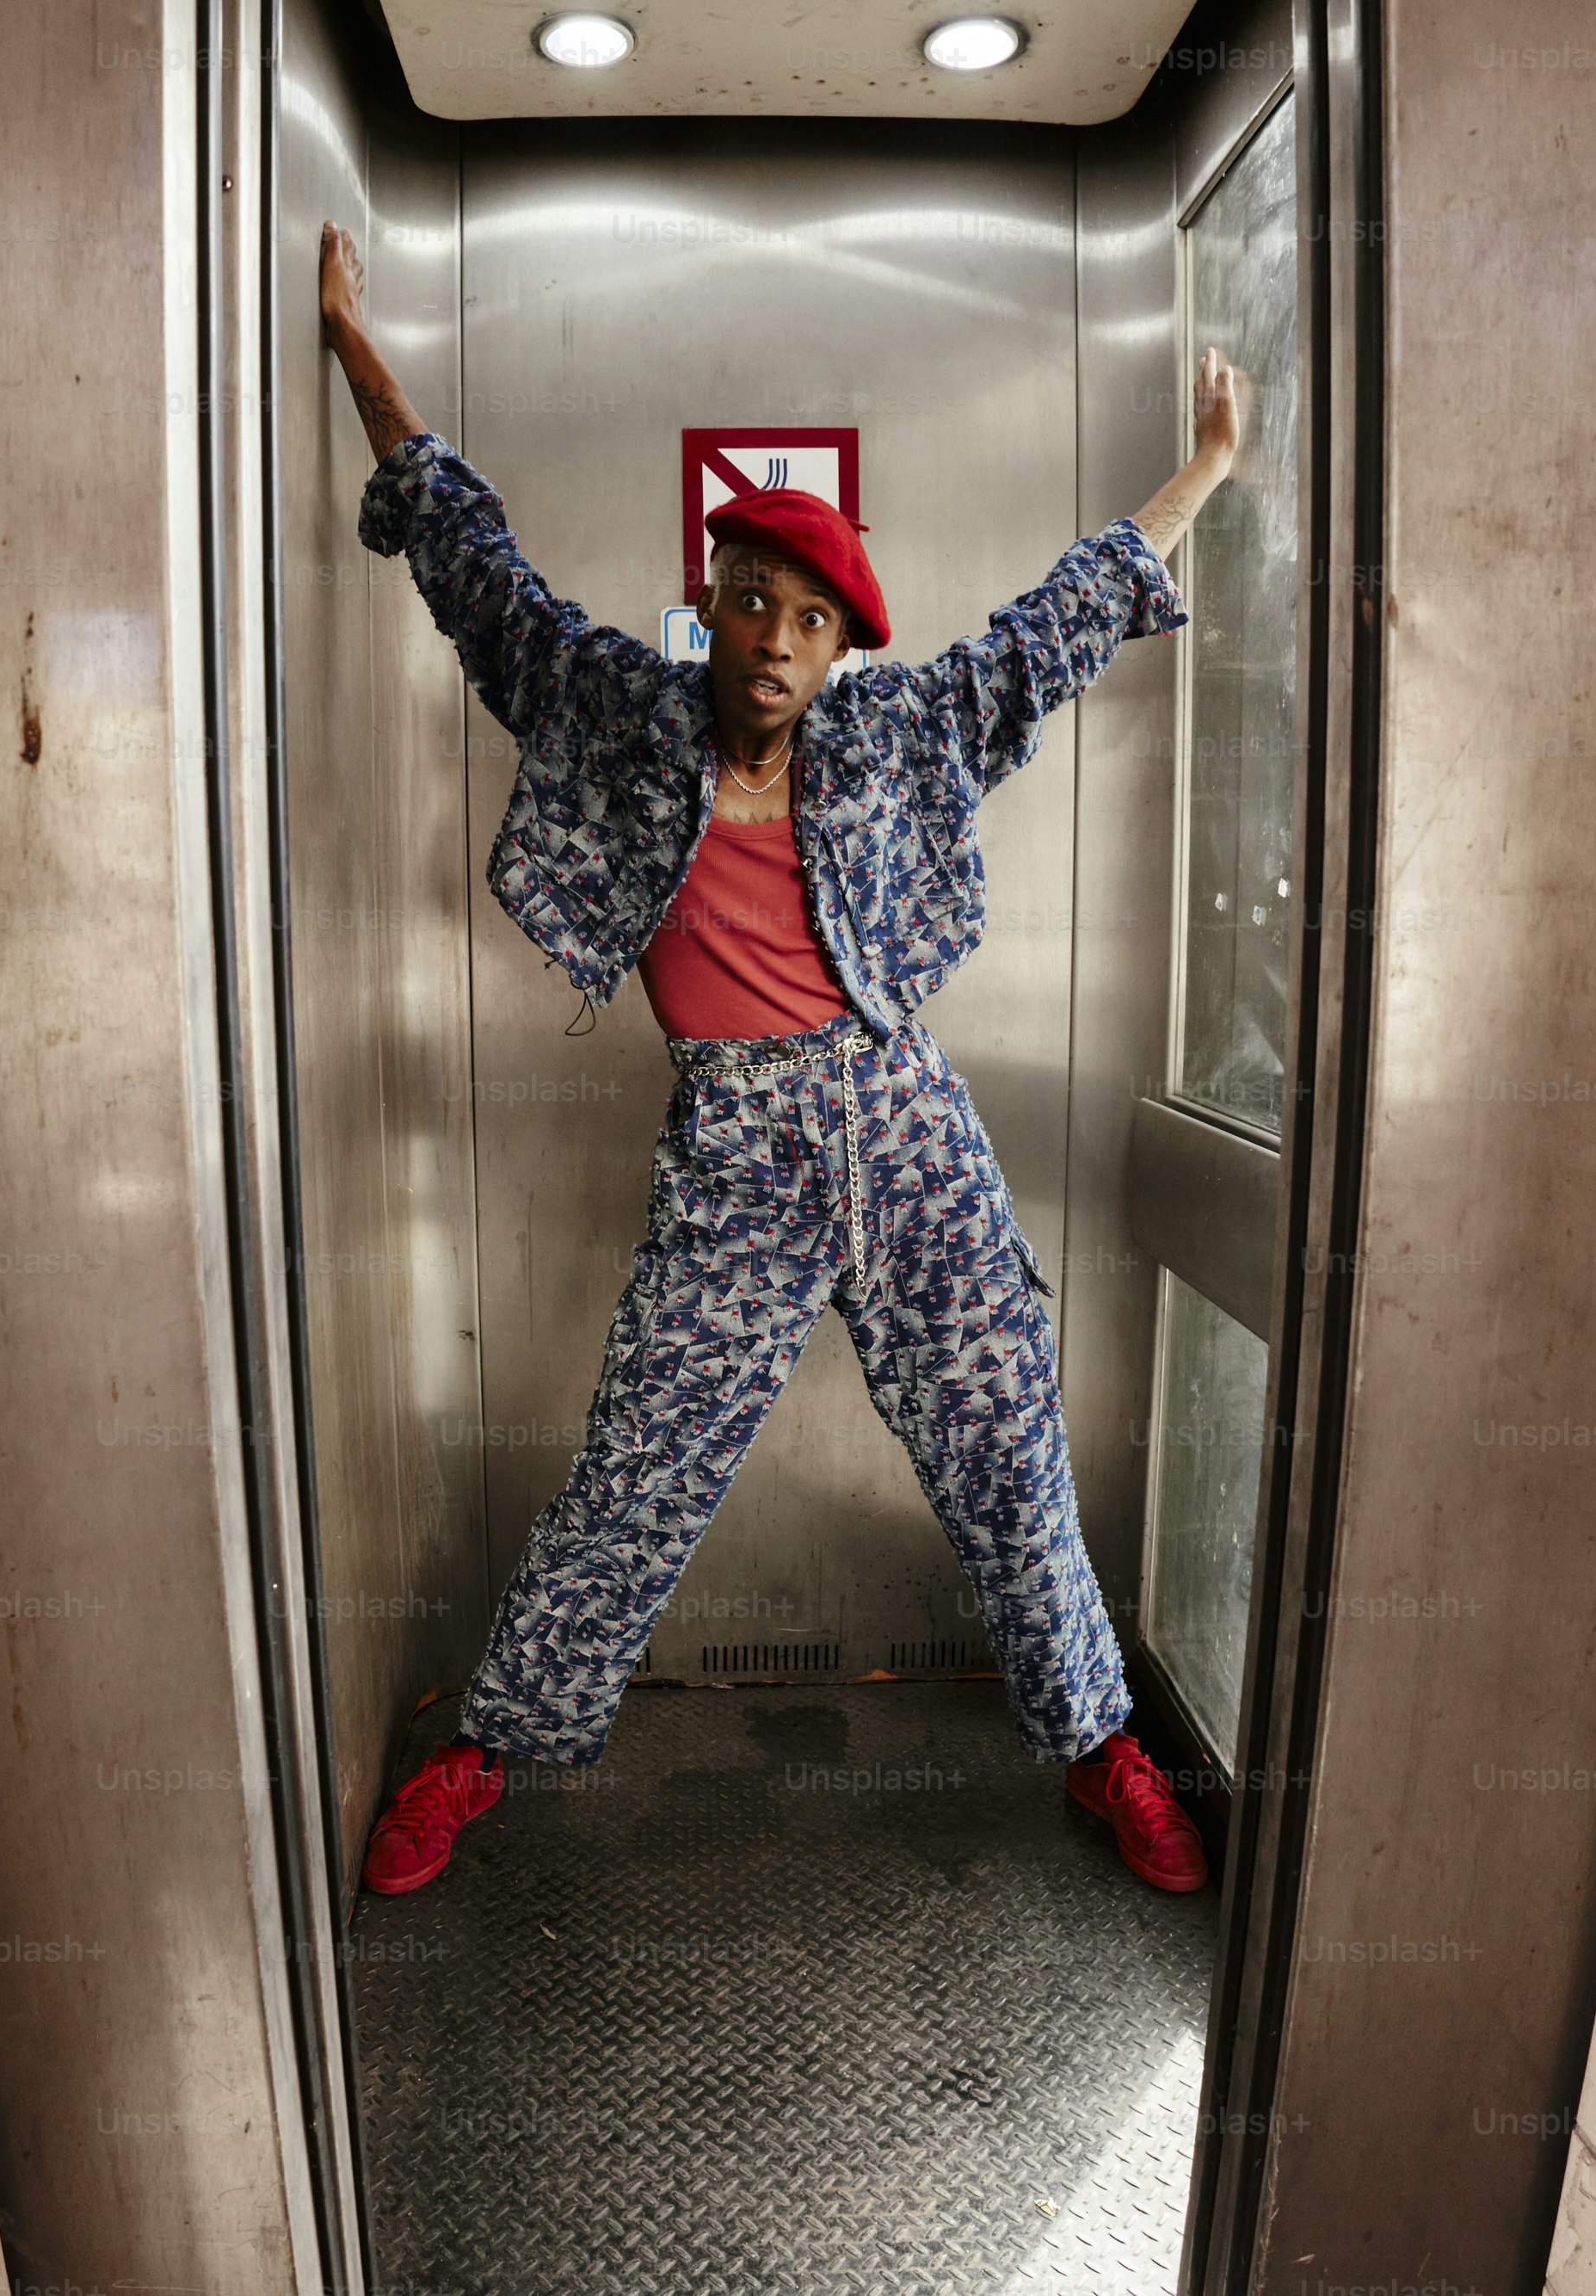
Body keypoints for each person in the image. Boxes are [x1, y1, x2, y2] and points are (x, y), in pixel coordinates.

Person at [317, 220, 1241, 1898]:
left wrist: (1207, 468)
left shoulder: (891, 736)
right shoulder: (616, 710)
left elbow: (1053, 628)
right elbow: (475, 566)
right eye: (750, 599)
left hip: (904, 1118)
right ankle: (484, 1748)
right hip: (735, 1151)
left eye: (809, 620)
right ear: (709, 602)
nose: (772, 638)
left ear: (836, 651)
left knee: (1009, 1442)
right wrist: (354, 349)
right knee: (637, 1465)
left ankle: (1102, 1747)